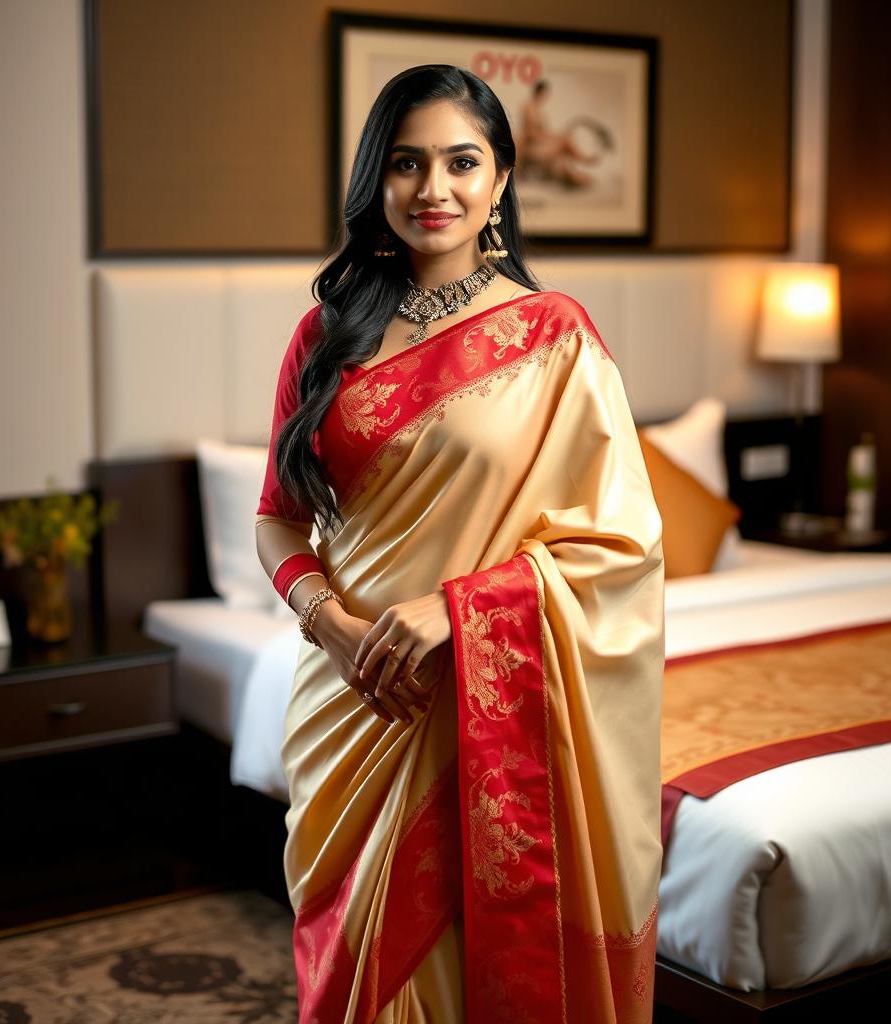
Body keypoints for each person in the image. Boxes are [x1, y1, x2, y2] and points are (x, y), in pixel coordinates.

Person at [254, 63, 664, 1024]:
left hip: (475, 700)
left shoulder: (554, 337)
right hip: (349, 705)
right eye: (406, 163)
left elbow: (620, 546)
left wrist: (456, 612)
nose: (432, 189)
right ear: (376, 180)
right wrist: (337, 629)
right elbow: (277, 516)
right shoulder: (324, 335)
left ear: (502, 181)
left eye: (460, 162)